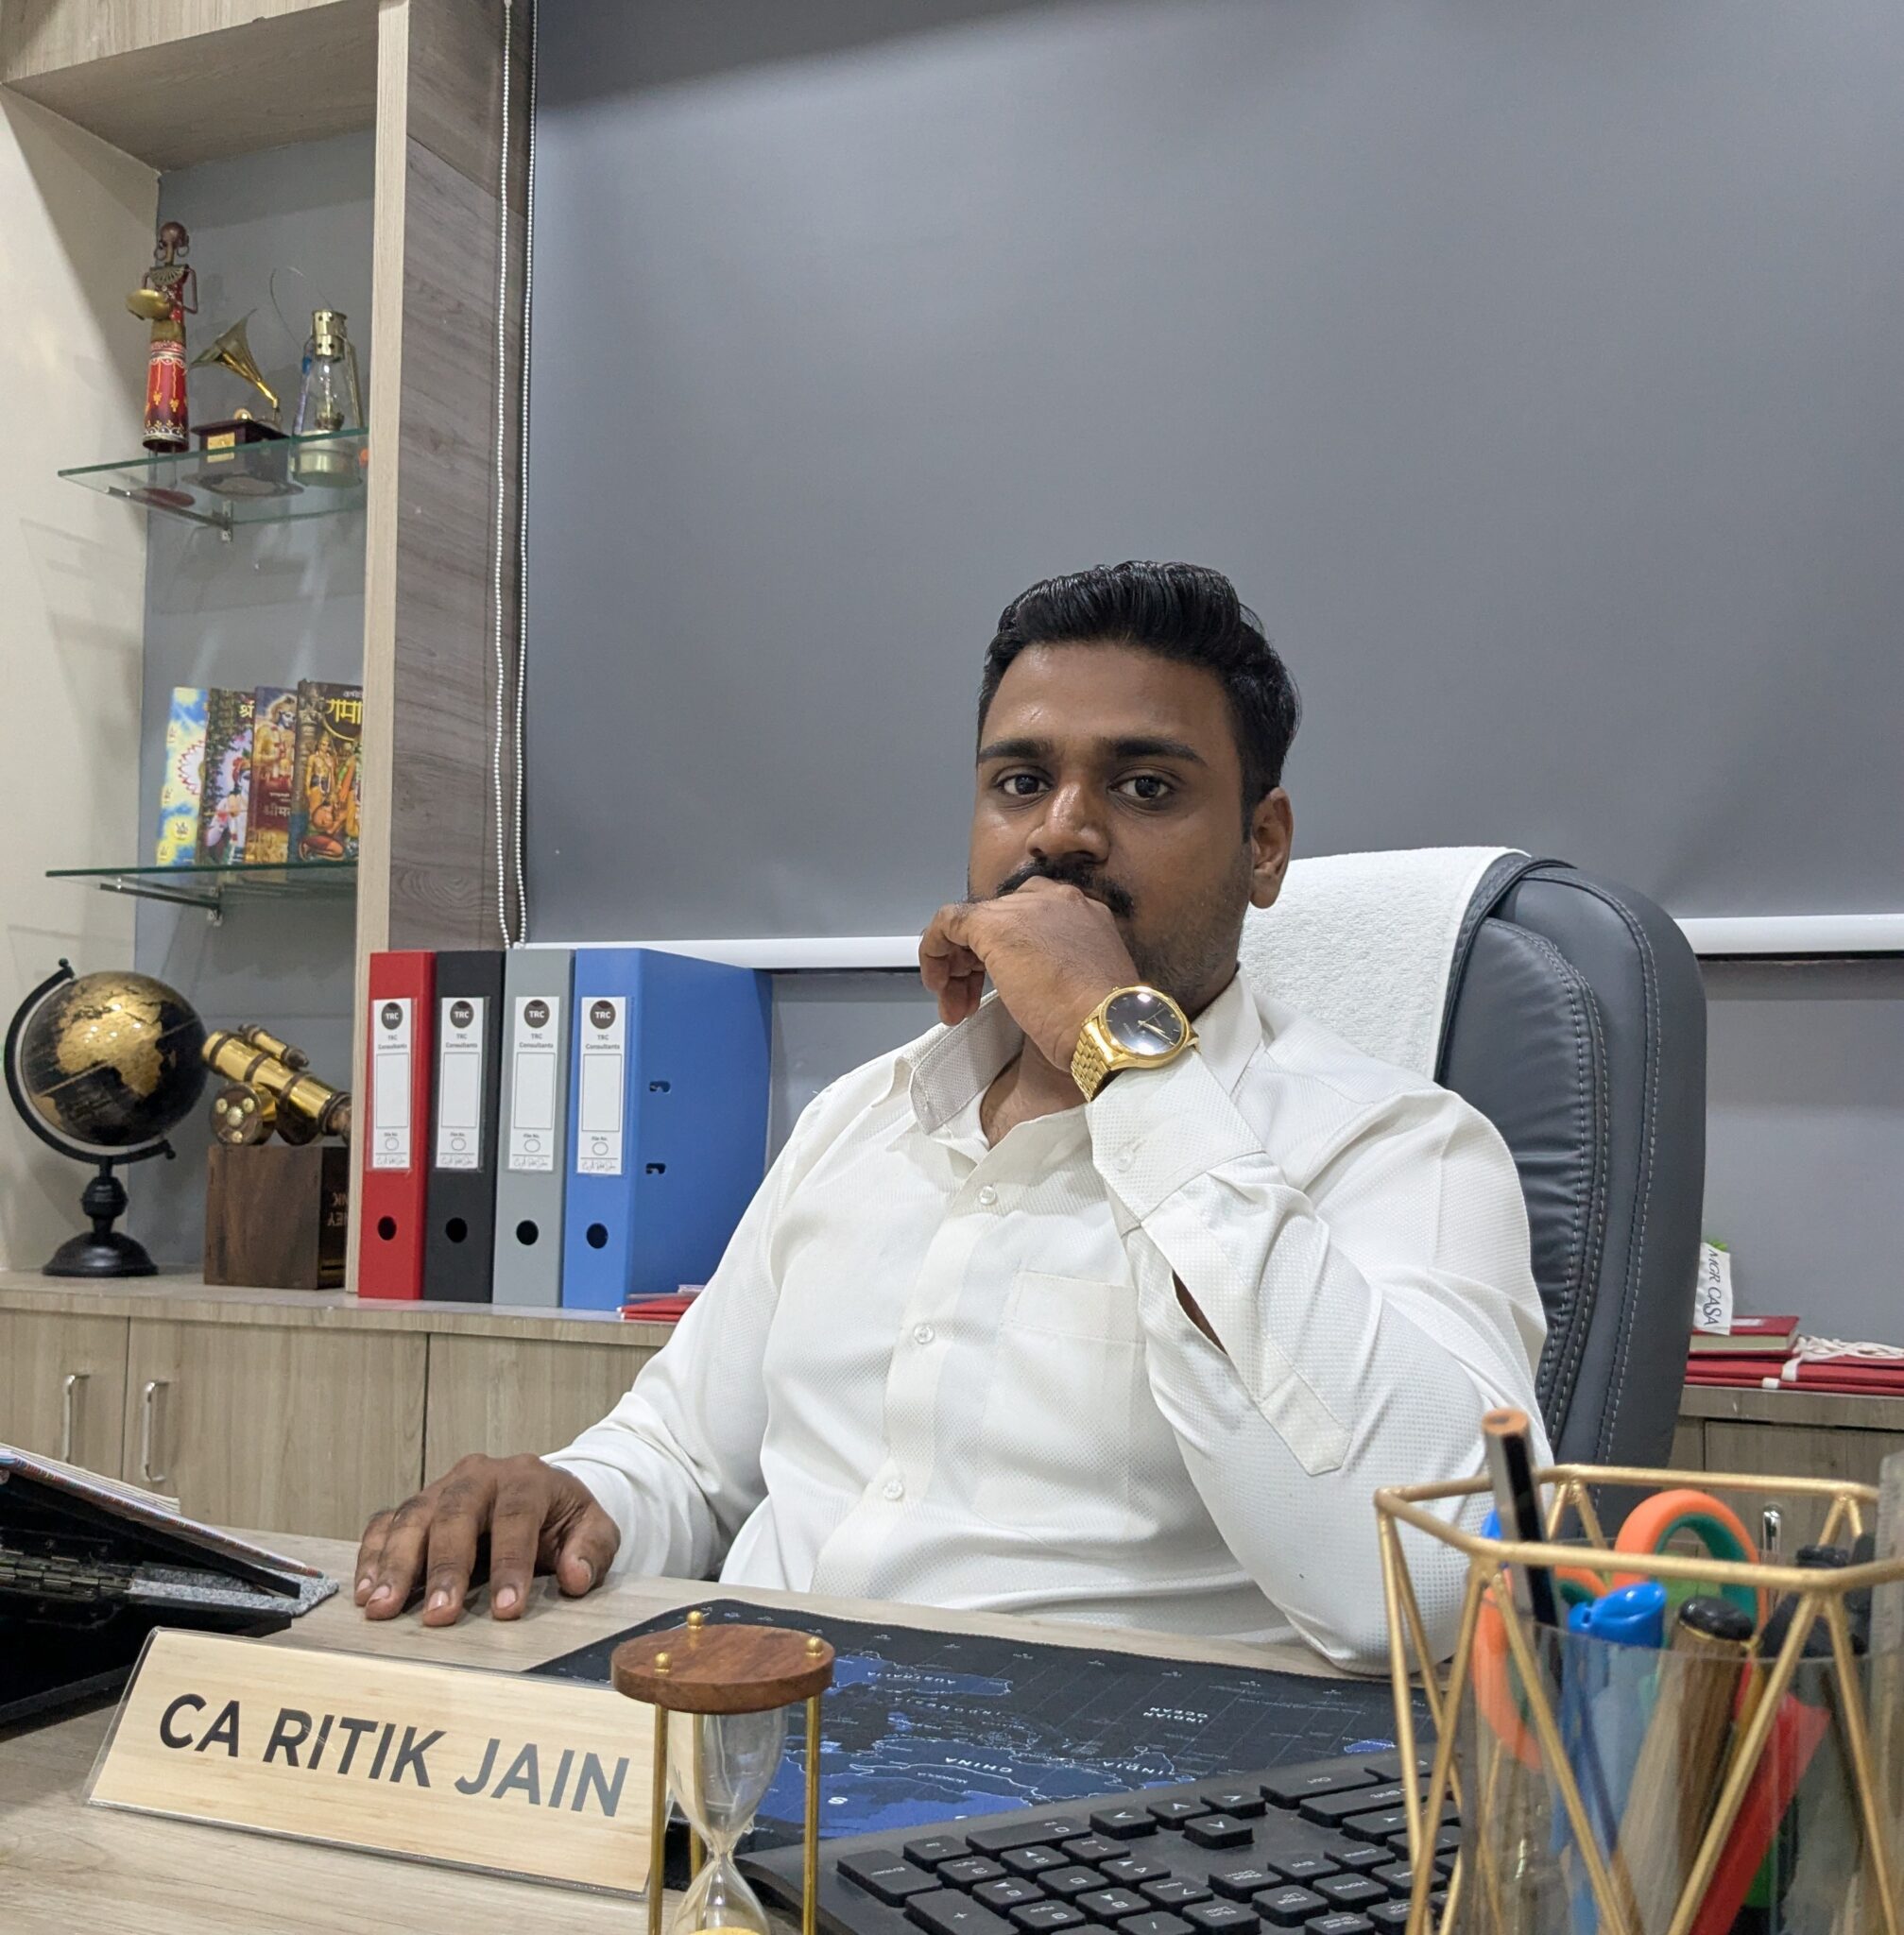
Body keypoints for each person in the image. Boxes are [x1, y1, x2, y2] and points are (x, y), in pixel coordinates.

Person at [354, 561, 1546, 1669]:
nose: (1060, 830)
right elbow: (685, 1458)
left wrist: (1118, 1047)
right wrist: (571, 1501)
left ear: (1264, 846)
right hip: (743, 1731)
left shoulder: (1400, 1147)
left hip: (1084, 1789)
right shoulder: (861, 1116)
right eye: (1019, 782)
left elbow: (1434, 1585)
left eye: (1144, 785)